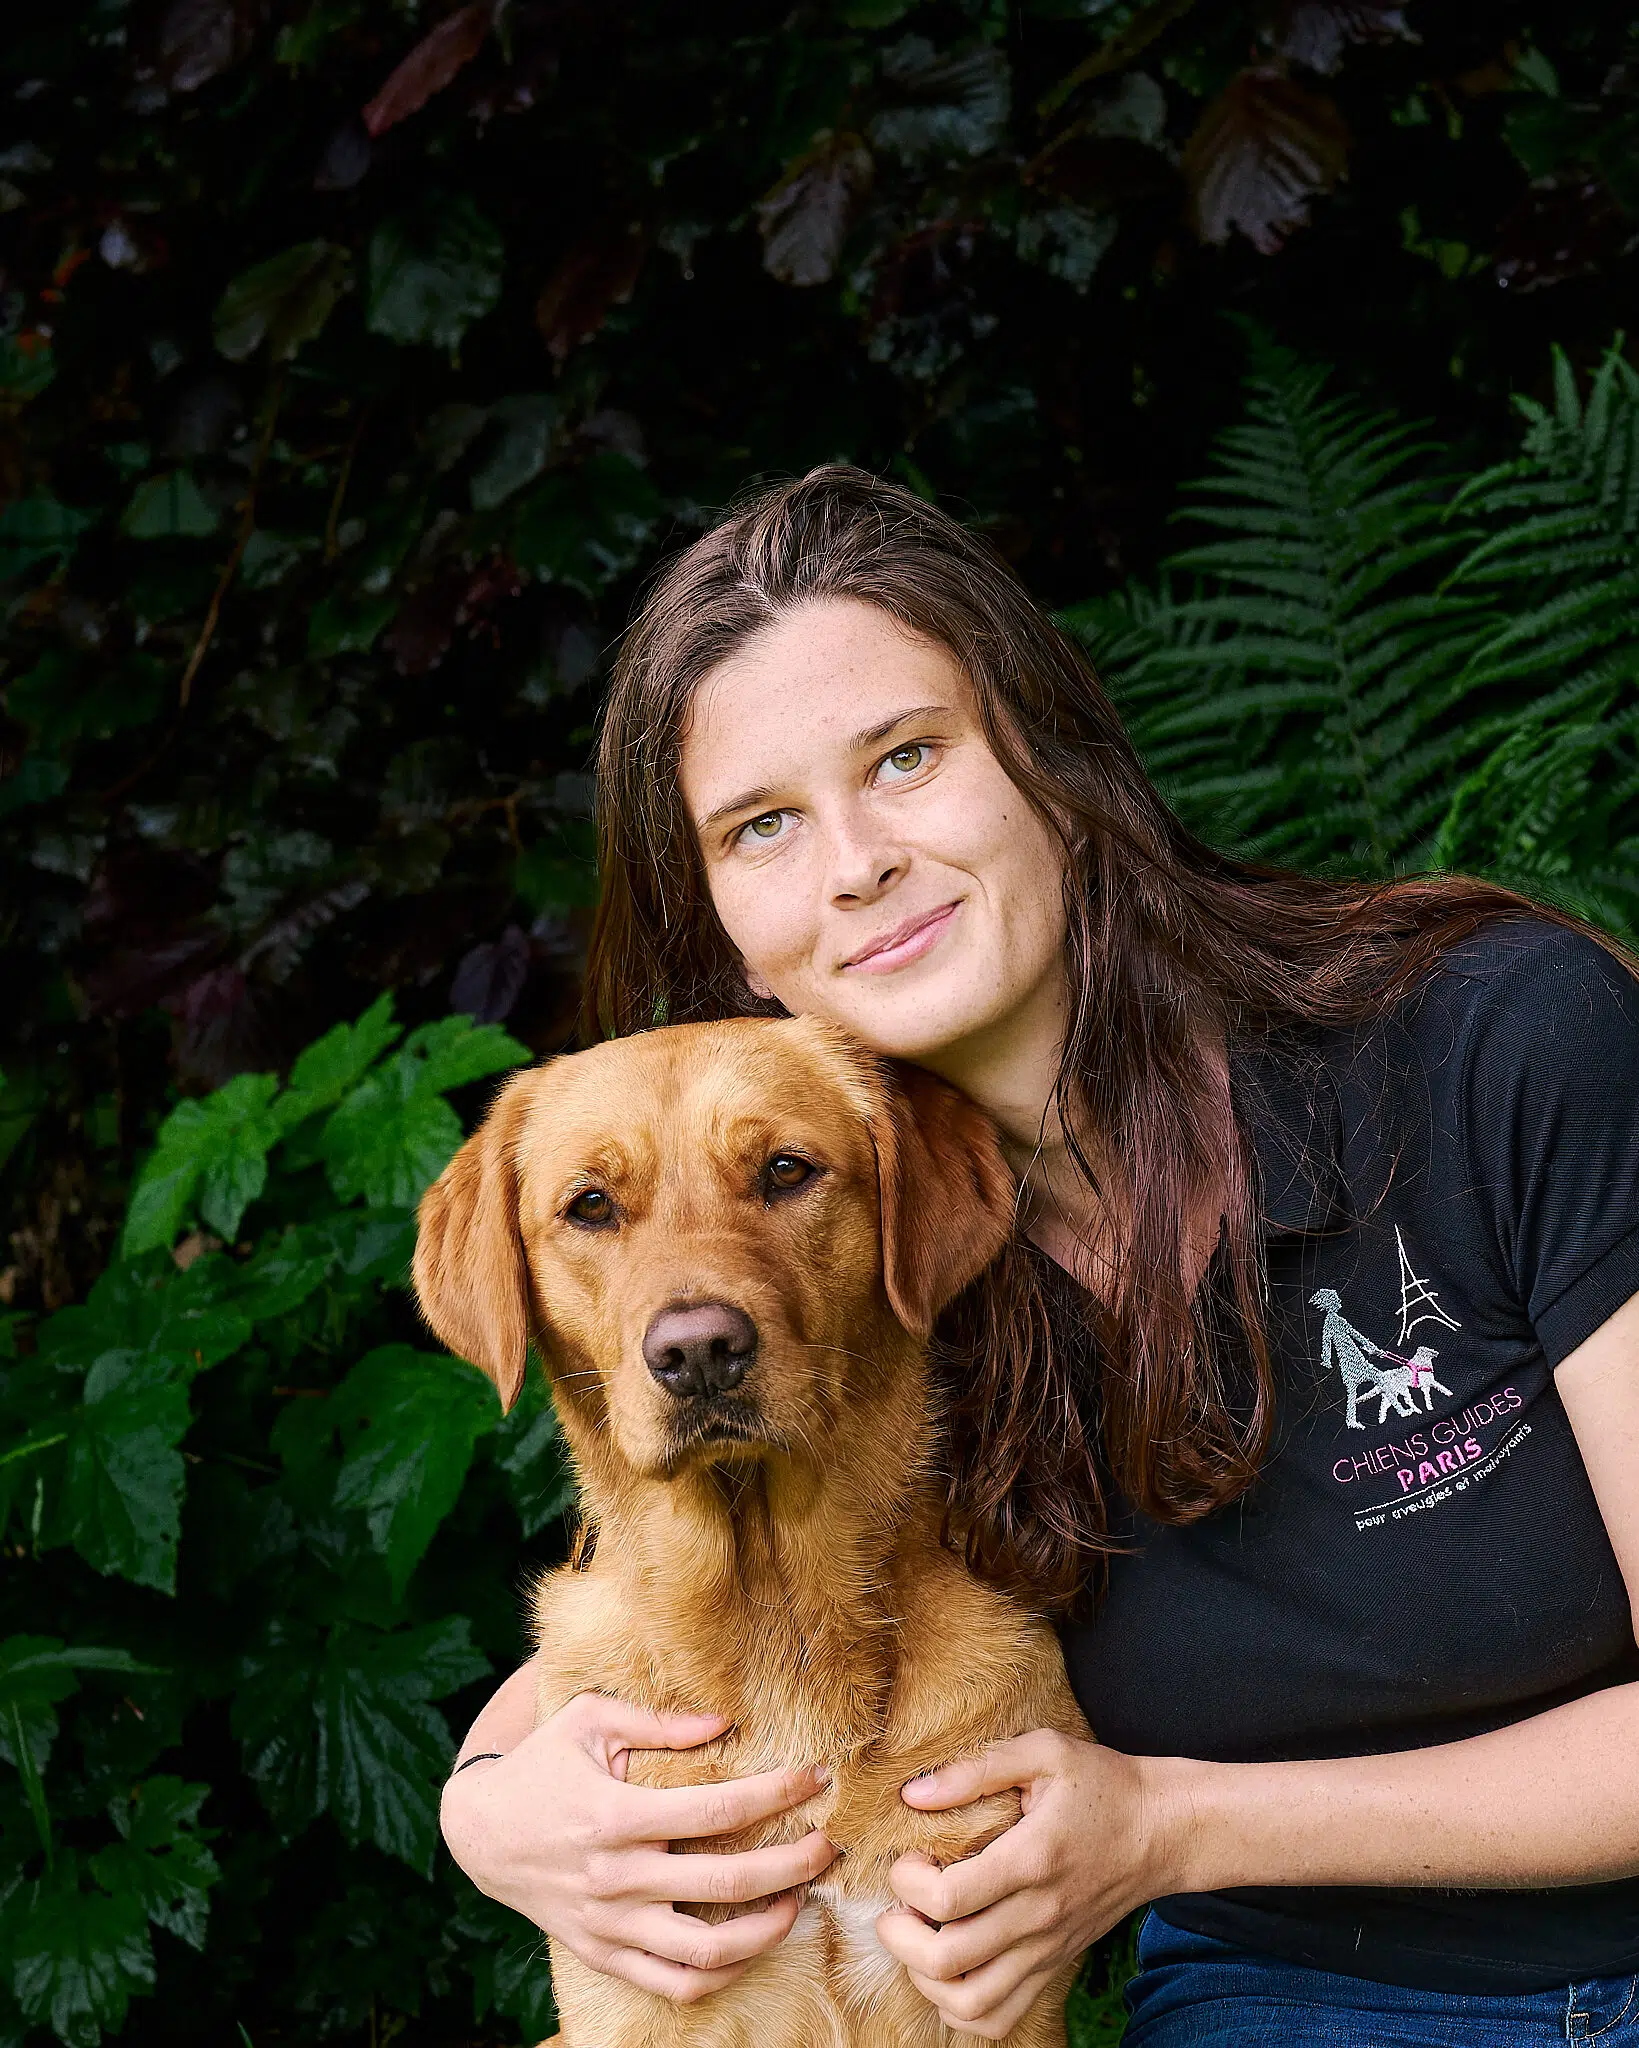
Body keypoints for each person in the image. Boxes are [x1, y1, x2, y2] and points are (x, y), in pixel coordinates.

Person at [440, 467, 1639, 2044]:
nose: (857, 861)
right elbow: (654, 1583)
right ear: (729, 930)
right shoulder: (859, 1239)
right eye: (766, 825)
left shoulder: (1495, 1041)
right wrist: (485, 1812)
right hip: (1285, 1999)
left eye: (907, 756)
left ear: (1050, 753)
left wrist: (1164, 1827)